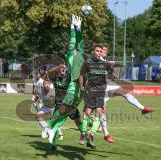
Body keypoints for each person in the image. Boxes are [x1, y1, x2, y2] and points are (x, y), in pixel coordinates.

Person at [43, 15, 84, 150]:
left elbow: (80, 41)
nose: (76, 48)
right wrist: (72, 28)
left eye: (77, 48)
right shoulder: (70, 55)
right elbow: (73, 41)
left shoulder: (81, 54)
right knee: (63, 110)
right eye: (73, 48)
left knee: (67, 113)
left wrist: (79, 28)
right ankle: (49, 128)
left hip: (81, 89)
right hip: (73, 86)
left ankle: (52, 130)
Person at [79, 44, 114, 149]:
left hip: (101, 91)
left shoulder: (105, 64)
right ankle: (83, 134)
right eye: (97, 51)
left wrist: (111, 70)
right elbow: (81, 74)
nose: (99, 53)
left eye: (100, 51)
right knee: (87, 112)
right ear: (93, 52)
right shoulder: (87, 63)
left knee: (99, 112)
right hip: (90, 90)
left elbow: (111, 75)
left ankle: (91, 135)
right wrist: (81, 86)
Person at [31, 71, 63, 139]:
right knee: (38, 115)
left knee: (54, 120)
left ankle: (60, 134)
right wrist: (34, 100)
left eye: (47, 76)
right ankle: (47, 131)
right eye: (45, 76)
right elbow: (37, 96)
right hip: (46, 106)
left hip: (55, 105)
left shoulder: (53, 86)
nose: (46, 77)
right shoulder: (40, 86)